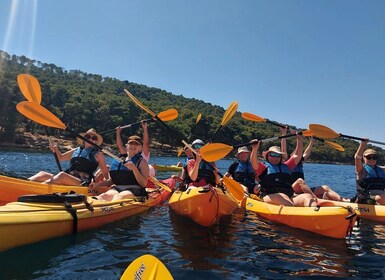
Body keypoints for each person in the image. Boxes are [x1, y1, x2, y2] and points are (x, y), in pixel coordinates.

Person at [250, 133, 319, 207]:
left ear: (280, 157)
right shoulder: (263, 167)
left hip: (289, 198)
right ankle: (294, 211)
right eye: (272, 155)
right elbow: (253, 161)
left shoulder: (287, 166)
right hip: (270, 197)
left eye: (277, 156)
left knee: (307, 196)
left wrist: (299, 140)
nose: (275, 158)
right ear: (267, 156)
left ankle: (315, 213)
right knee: (281, 196)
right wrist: (255, 148)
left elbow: (297, 155)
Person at [28, 128, 110, 186]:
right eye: (88, 137)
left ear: (96, 141)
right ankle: (25, 185)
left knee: (62, 175)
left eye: (94, 138)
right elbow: (60, 158)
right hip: (69, 177)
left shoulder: (98, 155)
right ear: (84, 138)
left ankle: (36, 189)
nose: (90, 139)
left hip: (83, 182)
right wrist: (55, 149)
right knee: (42, 174)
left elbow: (105, 173)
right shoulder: (76, 150)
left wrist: (108, 185)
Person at [282, 130, 345, 201]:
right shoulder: (287, 162)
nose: (298, 154)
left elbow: (307, 152)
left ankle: (343, 200)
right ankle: (317, 199)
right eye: (296, 153)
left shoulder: (301, 162)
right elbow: (284, 148)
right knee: (300, 181)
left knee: (325, 188)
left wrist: (312, 141)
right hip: (293, 189)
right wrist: (284, 133)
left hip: (302, 189)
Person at [90, 135, 149, 201]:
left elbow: (143, 184)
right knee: (104, 196)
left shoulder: (142, 162)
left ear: (140, 148)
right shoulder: (119, 160)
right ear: (126, 146)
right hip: (118, 188)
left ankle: (110, 209)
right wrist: (98, 184)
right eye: (131, 143)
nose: (133, 146)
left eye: (136, 144)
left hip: (134, 189)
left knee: (119, 196)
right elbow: (112, 180)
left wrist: (134, 169)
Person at [354, 140, 385, 204]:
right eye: (369, 157)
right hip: (366, 198)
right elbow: (357, 158)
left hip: (381, 197)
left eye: (374, 157)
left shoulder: (382, 170)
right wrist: (362, 144)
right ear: (364, 158)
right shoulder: (361, 169)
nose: (372, 159)